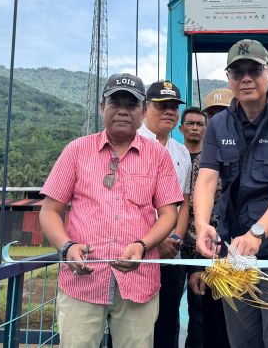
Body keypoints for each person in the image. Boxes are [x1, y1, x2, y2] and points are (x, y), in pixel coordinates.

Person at [39, 73, 183, 348]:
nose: (123, 111)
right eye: (115, 102)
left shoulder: (158, 155)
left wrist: (143, 244)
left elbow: (169, 214)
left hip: (138, 281)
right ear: (102, 107)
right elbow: (49, 210)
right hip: (83, 280)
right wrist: (66, 246)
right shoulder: (76, 151)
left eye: (131, 105)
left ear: (142, 113)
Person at [194, 39, 268, 348]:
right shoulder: (218, 125)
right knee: (242, 340)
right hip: (234, 249)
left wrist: (258, 233)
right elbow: (207, 179)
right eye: (237, 72)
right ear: (229, 78)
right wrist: (203, 224)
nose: (246, 78)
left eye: (254, 70)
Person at [139, 80, 192, 348]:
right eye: (161, 105)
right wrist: (154, 242)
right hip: (138, 253)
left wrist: (174, 240)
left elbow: (184, 201)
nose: (169, 111)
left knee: (168, 321)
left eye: (173, 106)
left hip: (171, 254)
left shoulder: (182, 152)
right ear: (146, 108)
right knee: (133, 325)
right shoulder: (131, 145)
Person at [180, 97, 231, 348]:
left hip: (218, 247)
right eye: (190, 123)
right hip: (185, 245)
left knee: (211, 311)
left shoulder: (227, 158)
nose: (196, 128)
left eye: (201, 123)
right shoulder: (181, 158)